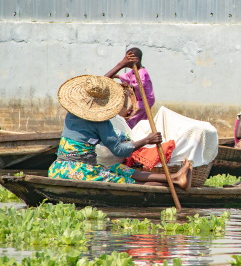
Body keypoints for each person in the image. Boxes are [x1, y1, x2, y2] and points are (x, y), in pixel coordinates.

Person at [50, 74, 192, 189]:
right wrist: (147, 140)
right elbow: (119, 150)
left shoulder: (71, 113)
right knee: (123, 180)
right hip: (78, 172)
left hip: (58, 168)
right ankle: (175, 182)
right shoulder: (101, 123)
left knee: (118, 168)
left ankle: (175, 177)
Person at [105, 48, 154, 129]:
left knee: (132, 117)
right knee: (138, 118)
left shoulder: (142, 73)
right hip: (137, 99)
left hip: (144, 100)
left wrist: (128, 86)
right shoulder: (133, 71)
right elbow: (126, 77)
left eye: (128, 59)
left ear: (136, 60)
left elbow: (138, 86)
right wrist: (114, 75)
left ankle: (130, 131)